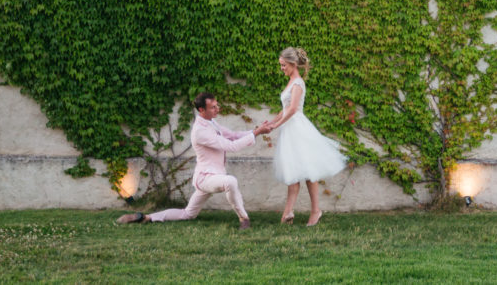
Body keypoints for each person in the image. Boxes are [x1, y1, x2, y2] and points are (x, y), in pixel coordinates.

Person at [117, 91, 270, 229]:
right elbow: (231, 146)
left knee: (188, 214)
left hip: (212, 176)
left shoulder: (211, 121)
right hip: (205, 179)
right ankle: (244, 219)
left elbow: (232, 135)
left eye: (217, 105)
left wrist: (256, 131)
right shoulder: (200, 131)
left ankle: (147, 217)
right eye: (213, 107)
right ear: (201, 110)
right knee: (230, 181)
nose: (217, 109)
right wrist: (257, 132)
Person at [264, 47, 347, 226]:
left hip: (298, 129)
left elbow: (293, 109)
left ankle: (315, 211)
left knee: (309, 172)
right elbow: (285, 108)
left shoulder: (298, 83)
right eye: (280, 65)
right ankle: (288, 212)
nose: (281, 68)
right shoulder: (290, 82)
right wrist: (271, 122)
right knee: (293, 171)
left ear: (293, 64)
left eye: (283, 65)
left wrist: (277, 125)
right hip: (290, 130)